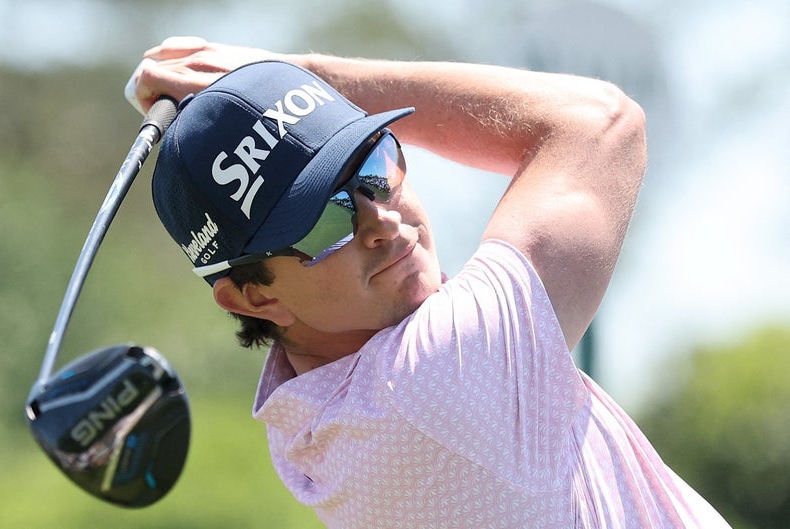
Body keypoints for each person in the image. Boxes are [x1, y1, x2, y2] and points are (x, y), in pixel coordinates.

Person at [131, 36, 730, 528]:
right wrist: (315, 77)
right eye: (319, 220)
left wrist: (295, 92)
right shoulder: (432, 377)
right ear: (256, 296)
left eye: (373, 168)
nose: (382, 221)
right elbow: (602, 122)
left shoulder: (310, 417)